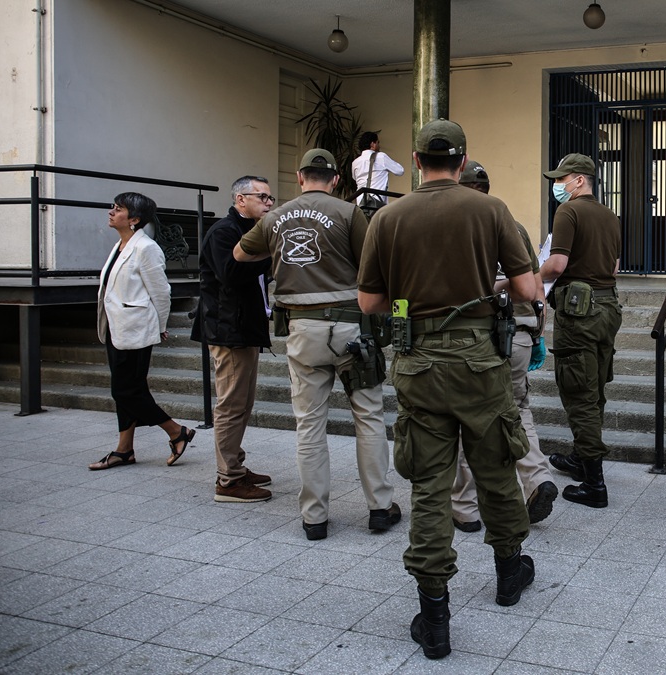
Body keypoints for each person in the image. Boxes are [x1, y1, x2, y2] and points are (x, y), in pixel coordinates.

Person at [357, 120, 537, 660]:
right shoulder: (491, 209)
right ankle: (509, 573)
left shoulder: (387, 217)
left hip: (419, 365)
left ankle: (434, 613)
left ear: (415, 160)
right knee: (496, 469)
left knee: (431, 486)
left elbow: (369, 303)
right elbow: (528, 288)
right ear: (462, 162)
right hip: (482, 362)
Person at [233, 149, 401, 540]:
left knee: (309, 425)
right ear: (337, 179)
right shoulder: (347, 213)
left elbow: (241, 253)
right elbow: (370, 265)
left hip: (302, 329)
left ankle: (314, 518)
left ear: (299, 176)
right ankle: (379, 507)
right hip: (350, 330)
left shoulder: (274, 217)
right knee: (369, 418)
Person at [451, 160, 556, 532]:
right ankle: (538, 478)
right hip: (521, 332)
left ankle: (465, 508)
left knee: (467, 416)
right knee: (517, 410)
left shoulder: (454, 224)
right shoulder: (513, 224)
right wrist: (539, 332)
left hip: (478, 334)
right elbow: (535, 283)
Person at [89, 192, 196, 470]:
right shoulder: (122, 246)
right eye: (113, 206)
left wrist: (160, 326)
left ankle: (176, 431)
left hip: (135, 329)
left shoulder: (146, 248)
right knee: (128, 389)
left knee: (126, 391)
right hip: (115, 327)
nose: (112, 211)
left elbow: (161, 293)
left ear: (135, 219)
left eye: (119, 209)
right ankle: (124, 450)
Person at [541, 153, 622, 509]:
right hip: (607, 307)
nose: (558, 185)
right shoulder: (609, 215)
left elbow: (557, 264)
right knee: (595, 389)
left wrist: (528, 276)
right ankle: (579, 457)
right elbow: (614, 267)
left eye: (563, 179)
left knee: (578, 393)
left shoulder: (568, 211)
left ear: (579, 180)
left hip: (579, 312)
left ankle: (594, 484)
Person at [190, 176, 276, 503]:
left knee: (243, 403)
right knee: (231, 405)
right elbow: (232, 274)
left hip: (245, 328)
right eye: (262, 197)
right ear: (241, 199)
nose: (268, 203)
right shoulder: (224, 232)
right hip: (229, 331)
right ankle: (228, 480)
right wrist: (272, 253)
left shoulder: (246, 230)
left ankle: (235, 465)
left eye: (270, 198)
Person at [352, 131, 405, 205]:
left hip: (360, 202)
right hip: (376, 202)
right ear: (372, 144)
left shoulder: (355, 162)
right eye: (378, 143)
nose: (379, 146)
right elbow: (400, 171)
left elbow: (355, 178)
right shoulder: (381, 156)